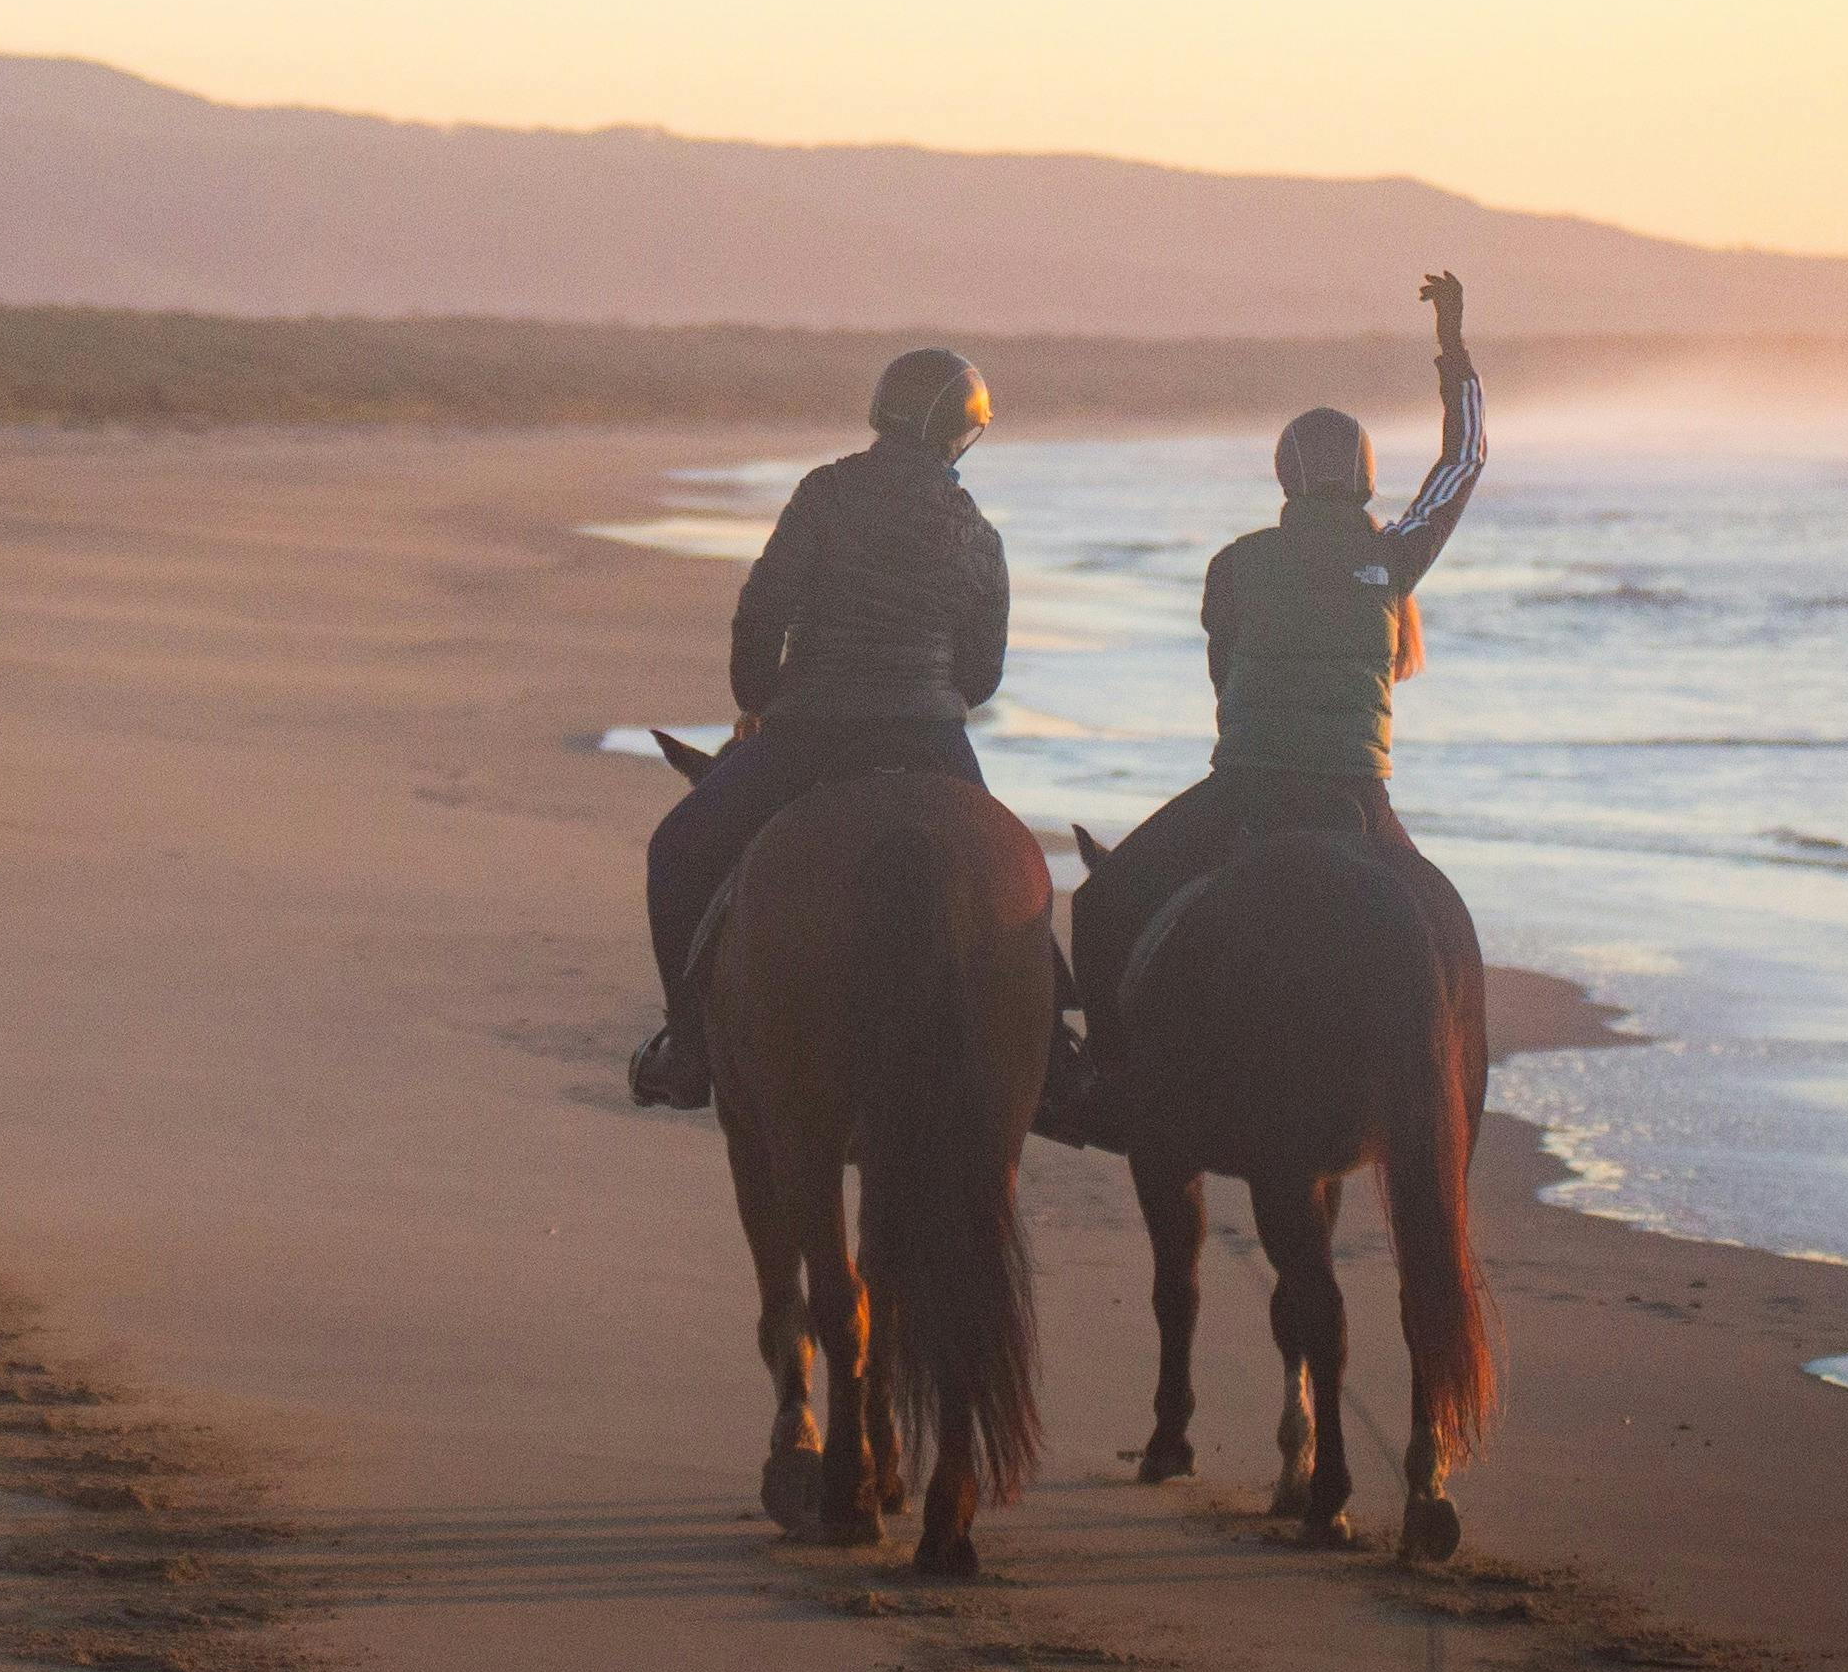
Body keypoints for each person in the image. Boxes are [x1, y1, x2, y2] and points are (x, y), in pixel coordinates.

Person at [1053, 271, 1484, 1140]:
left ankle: (1108, 1078)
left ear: (1283, 478)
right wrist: (1453, 342)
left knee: (1100, 909)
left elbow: (1223, 678)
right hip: (1361, 798)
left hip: (1246, 788)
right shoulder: (1394, 558)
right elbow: (1464, 459)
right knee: (1445, 941)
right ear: (1363, 480)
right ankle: (1457, 1102)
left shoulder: (1236, 564)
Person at [628, 346, 1017, 1113]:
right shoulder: (976, 532)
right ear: (959, 434)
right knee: (1009, 885)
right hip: (929, 741)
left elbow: (762, 609)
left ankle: (686, 1043)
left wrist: (759, 698)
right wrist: (929, 697)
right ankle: (1055, 1062)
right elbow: (982, 673)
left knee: (675, 849)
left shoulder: (825, 494)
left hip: (808, 731)